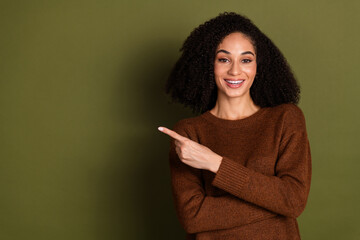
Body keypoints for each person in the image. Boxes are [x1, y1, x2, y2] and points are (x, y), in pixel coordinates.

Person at [158, 12, 311, 240]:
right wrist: (275, 201)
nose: (235, 70)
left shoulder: (286, 119)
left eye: (246, 60)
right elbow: (192, 218)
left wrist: (214, 163)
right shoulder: (188, 134)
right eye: (224, 59)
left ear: (259, 66)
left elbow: (294, 200)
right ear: (208, 65)